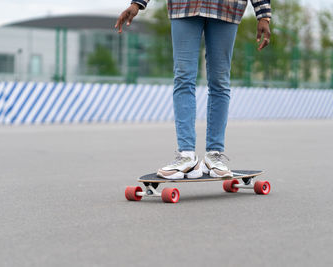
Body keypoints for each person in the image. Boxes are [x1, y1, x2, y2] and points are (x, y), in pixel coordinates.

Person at [115, 0, 271, 179]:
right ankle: (187, 156)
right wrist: (137, 3)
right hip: (185, 6)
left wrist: (263, 15)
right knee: (183, 77)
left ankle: (214, 155)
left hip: (226, 8)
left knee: (219, 82)